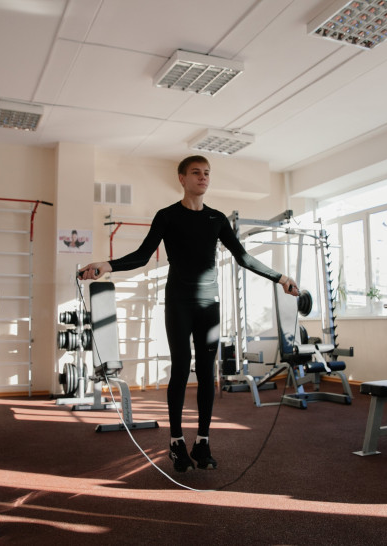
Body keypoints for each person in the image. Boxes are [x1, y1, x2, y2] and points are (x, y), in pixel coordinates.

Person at [79, 155, 300, 473]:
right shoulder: (167, 216)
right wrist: (107, 265)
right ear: (182, 178)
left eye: (207, 173)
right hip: (179, 304)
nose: (203, 177)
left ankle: (203, 442)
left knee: (207, 373)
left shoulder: (217, 219)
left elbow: (243, 257)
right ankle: (176, 442)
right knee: (181, 369)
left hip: (209, 306)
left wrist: (281, 278)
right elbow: (142, 255)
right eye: (196, 172)